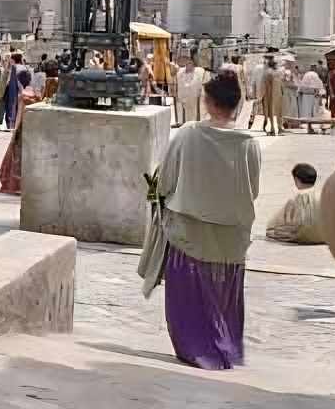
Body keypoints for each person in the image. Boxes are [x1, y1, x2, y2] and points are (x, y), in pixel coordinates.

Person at [138, 69, 260, 370]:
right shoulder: (249, 143)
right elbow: (252, 189)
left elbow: (165, 180)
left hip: (189, 231)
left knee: (188, 296)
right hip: (232, 236)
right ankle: (226, 347)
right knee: (224, 297)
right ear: (235, 105)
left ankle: (196, 349)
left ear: (207, 101)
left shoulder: (190, 134)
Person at [0, 68, 41, 195]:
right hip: (32, 130)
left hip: (21, 128)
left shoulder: (22, 95)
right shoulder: (35, 94)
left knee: (17, 157)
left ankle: (15, 184)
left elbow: (20, 114)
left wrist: (15, 132)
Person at [265, 163, 324, 245]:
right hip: (324, 236)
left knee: (272, 231)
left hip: (303, 236)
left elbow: (273, 224)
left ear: (296, 180)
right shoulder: (324, 194)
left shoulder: (296, 198)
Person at [174, 57, 208, 127]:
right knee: (184, 113)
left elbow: (204, 83)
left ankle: (195, 124)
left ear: (193, 63)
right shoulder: (180, 72)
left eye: (190, 62)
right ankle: (184, 124)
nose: (188, 64)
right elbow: (177, 83)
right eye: (187, 63)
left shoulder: (200, 72)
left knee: (195, 113)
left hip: (196, 96)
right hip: (184, 96)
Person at [296, 64, 325, 133]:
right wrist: (319, 95)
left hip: (306, 96)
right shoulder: (314, 74)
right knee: (313, 113)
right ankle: (311, 128)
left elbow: (301, 87)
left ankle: (309, 127)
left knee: (308, 113)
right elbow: (319, 86)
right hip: (312, 96)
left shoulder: (306, 74)